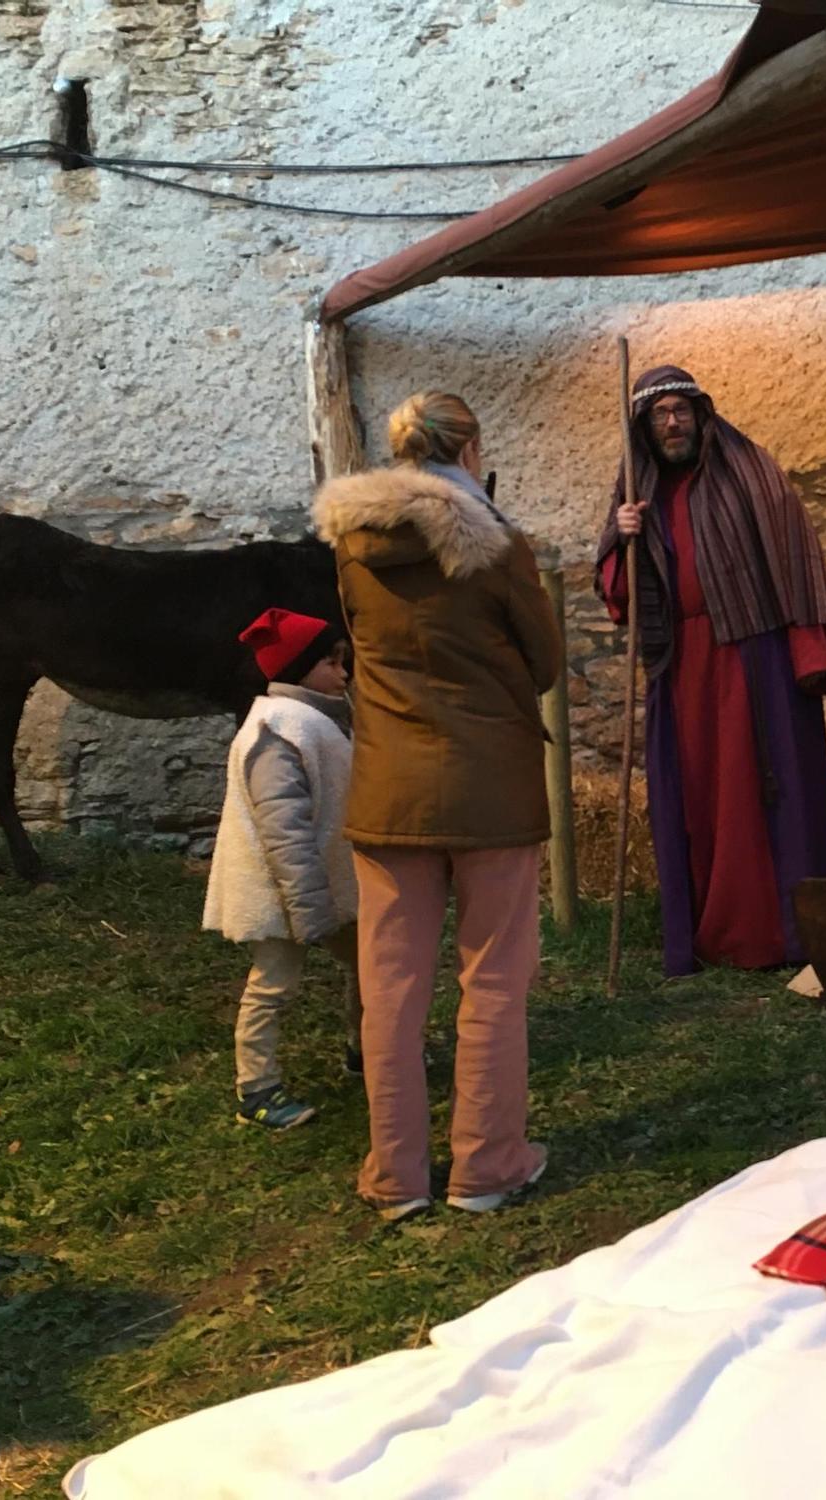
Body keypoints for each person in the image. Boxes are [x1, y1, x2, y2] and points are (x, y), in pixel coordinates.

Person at [312, 390, 563, 1222]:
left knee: (390, 984)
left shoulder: (351, 547)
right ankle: (488, 1169)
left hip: (389, 792)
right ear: (472, 446)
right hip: (491, 786)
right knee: (492, 978)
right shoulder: (498, 551)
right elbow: (545, 662)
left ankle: (396, 1178)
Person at [597, 365, 826, 976]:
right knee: (699, 792)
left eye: (681, 410)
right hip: (682, 662)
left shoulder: (748, 471)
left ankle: (785, 933)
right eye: (659, 413)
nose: (671, 422)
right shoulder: (638, 489)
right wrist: (621, 533)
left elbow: (793, 550)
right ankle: (708, 934)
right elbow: (617, 588)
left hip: (754, 653)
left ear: (701, 414)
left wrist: (802, 646)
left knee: (766, 787)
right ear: (644, 424)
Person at [202, 608, 362, 1131]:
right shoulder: (278, 730)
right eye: (332, 663)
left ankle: (367, 1050)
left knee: (370, 965)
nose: (344, 673)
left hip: (321, 884)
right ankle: (257, 1088)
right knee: (273, 984)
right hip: (280, 890)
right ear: (298, 668)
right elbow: (283, 829)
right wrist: (307, 906)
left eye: (345, 661)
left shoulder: (321, 721)